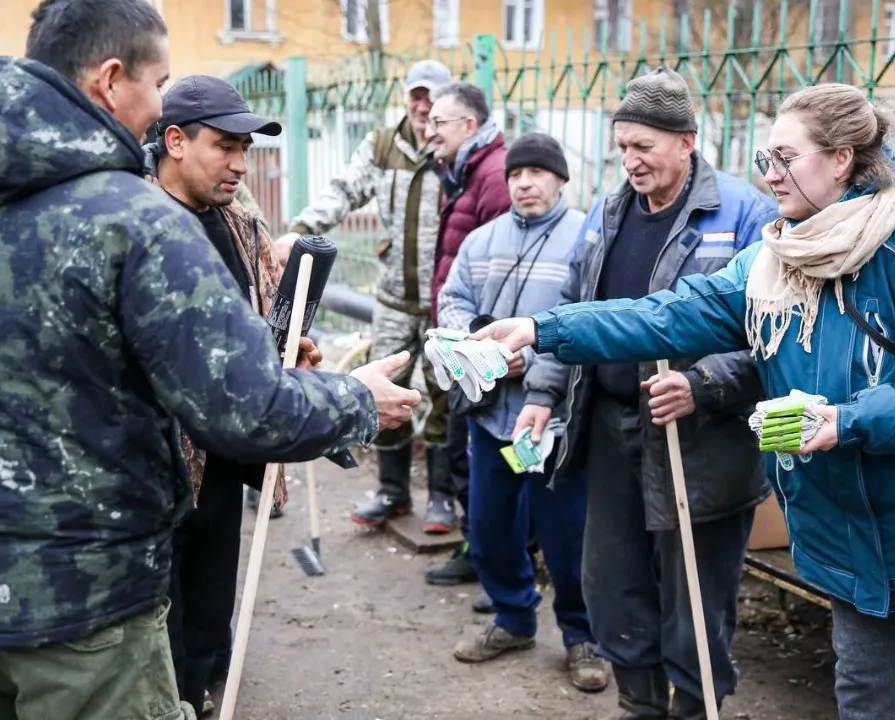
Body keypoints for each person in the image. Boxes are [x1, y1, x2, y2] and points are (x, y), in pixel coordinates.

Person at [475, 82, 895, 720]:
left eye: (785, 158)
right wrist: (543, 331)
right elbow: (667, 316)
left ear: (841, 158)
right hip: (847, 523)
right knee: (865, 695)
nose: (769, 176)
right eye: (766, 159)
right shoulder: (774, 258)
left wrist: (846, 421)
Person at [0, 2, 420, 719]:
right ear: (111, 80)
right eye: (157, 81)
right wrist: (354, 400)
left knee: (208, 606)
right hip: (86, 598)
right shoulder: (135, 219)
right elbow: (248, 406)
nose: (236, 162)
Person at [495, 67, 777, 720]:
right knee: (612, 583)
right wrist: (542, 392)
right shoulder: (608, 209)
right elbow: (574, 305)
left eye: (644, 146)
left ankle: (695, 706)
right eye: (622, 146)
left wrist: (704, 384)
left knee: (695, 597)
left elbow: (776, 334)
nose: (630, 160)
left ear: (687, 140)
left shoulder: (743, 215)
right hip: (609, 427)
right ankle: (639, 706)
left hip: (700, 442)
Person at [143, 74, 310, 717]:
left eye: (246, 148)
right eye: (226, 146)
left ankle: (211, 684)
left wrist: (290, 350)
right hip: (156, 463)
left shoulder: (240, 223)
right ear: (176, 141)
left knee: (214, 592)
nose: (241, 164)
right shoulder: (138, 221)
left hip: (223, 454)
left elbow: (264, 311)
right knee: (163, 611)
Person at [437, 133, 607, 692]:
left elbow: (589, 315)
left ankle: (583, 637)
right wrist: (476, 348)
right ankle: (512, 619)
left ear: (561, 179)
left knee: (566, 534)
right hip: (491, 417)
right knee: (487, 527)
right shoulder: (483, 240)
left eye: (537, 173)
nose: (524, 183)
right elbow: (452, 299)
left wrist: (527, 355)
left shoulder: (587, 237)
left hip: (555, 420)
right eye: (516, 174)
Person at [274, 60, 463, 535]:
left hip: (444, 302)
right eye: (415, 96)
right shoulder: (382, 145)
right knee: (388, 386)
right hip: (395, 298)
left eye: (431, 97)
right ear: (405, 97)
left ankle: (441, 497)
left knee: (444, 392)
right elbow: (343, 192)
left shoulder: (454, 150)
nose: (422, 106)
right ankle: (392, 492)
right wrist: (298, 234)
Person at [422, 81, 512, 594]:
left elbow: (498, 267)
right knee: (465, 447)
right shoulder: (461, 172)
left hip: (484, 344)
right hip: (464, 338)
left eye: (439, 122)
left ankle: (491, 557)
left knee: (479, 452)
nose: (429, 130)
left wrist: (482, 342)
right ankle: (479, 548)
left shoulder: (492, 176)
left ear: (469, 127)